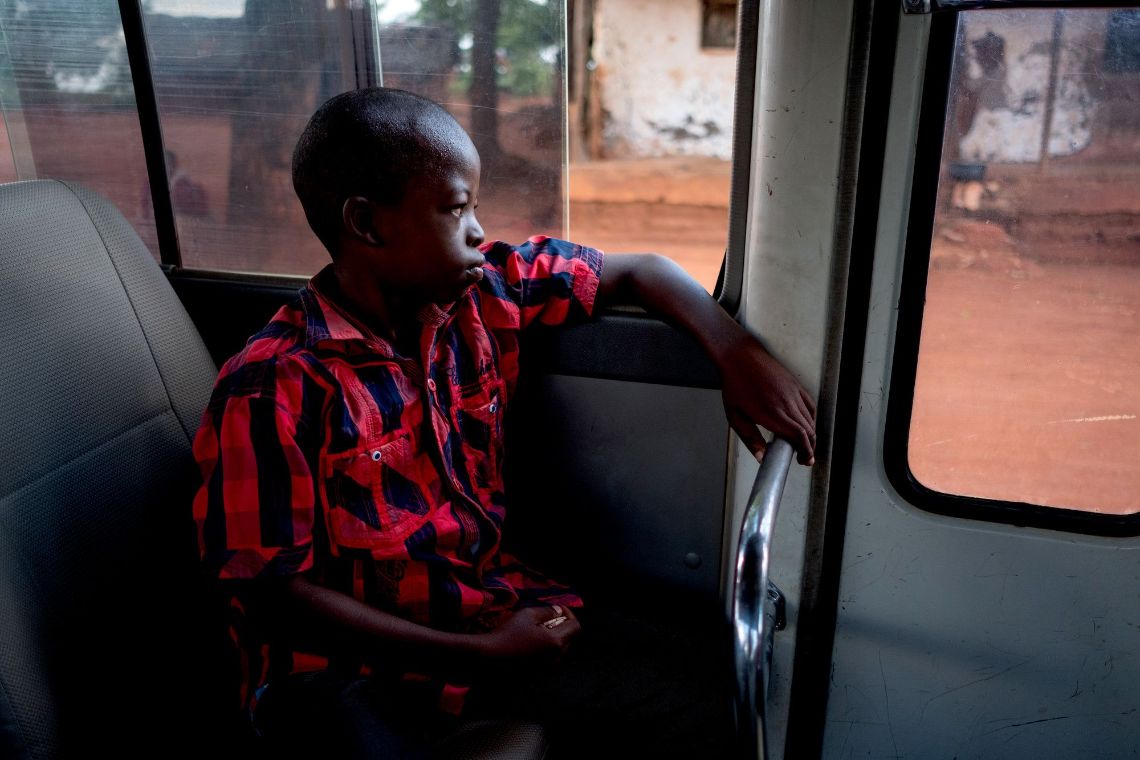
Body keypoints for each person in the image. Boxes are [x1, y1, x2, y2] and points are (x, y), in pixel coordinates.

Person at [192, 87, 816, 758]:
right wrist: (476, 656)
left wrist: (735, 352)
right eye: (456, 209)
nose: (478, 231)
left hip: (493, 607)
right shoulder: (273, 387)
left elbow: (641, 271)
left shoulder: (482, 296)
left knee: (706, 675)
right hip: (341, 672)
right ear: (369, 225)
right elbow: (272, 597)